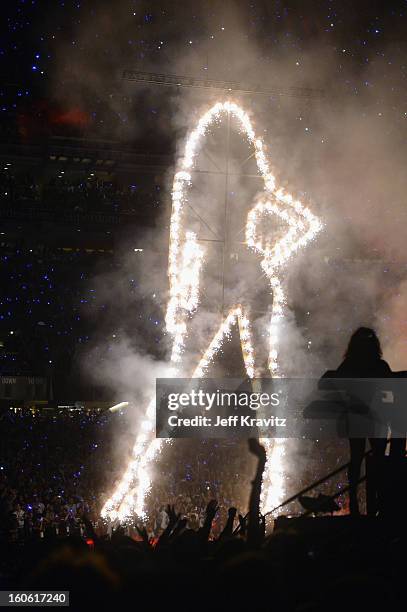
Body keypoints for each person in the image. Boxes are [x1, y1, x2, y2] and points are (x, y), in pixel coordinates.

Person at [321, 327, 391, 516]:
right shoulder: (379, 365)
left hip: (356, 416)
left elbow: (329, 384)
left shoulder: (349, 365)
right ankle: (380, 502)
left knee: (357, 459)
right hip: (375, 418)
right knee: (378, 460)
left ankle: (355, 504)